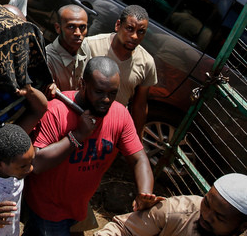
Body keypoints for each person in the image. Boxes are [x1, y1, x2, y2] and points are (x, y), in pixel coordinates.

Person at [23, 57, 157, 236]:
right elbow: (36, 164)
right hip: (48, 210)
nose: (106, 99)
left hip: (78, 207)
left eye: (112, 93)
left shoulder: (119, 115)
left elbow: (138, 158)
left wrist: (145, 193)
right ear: (82, 84)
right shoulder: (57, 111)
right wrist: (77, 136)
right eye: (99, 92)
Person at [95, 173, 247, 236]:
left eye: (219, 217)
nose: (206, 215)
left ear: (242, 227)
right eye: (206, 203)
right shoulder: (176, 211)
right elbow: (123, 229)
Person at [84, 5, 157, 136]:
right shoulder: (90, 45)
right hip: (82, 114)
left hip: (110, 128)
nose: (134, 36)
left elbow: (140, 106)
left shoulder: (147, 63)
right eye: (130, 29)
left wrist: (135, 137)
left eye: (141, 32)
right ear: (118, 25)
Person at [45, 4, 91, 91]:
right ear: (58, 28)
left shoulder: (84, 47)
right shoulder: (48, 59)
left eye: (82, 27)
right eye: (71, 27)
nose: (78, 33)